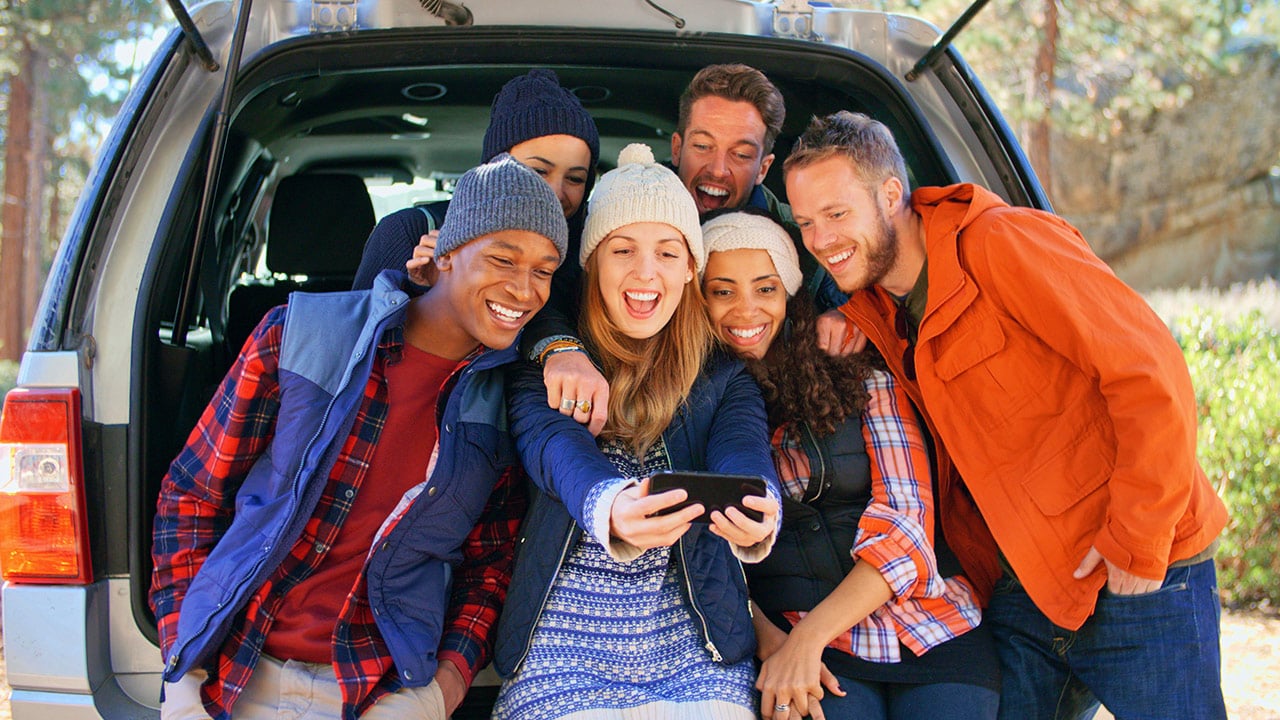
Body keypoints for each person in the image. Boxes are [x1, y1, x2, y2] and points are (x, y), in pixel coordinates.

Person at [783, 110, 1229, 720]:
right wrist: (849, 319)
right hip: (1025, 586)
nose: (821, 240)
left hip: (1137, 565)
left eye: (836, 214)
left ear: (892, 194)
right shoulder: (878, 312)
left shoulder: (1002, 242)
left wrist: (1139, 540)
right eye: (806, 222)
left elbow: (1149, 374)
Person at [149, 155, 569, 720]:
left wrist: (437, 694)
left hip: (380, 689)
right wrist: (182, 676)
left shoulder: (506, 404)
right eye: (502, 259)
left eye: (543, 271)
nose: (523, 289)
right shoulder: (297, 334)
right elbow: (191, 497)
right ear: (445, 253)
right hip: (235, 675)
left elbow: (489, 568)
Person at [489, 144, 782, 720]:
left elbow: (743, 452)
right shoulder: (548, 362)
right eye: (622, 250)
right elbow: (552, 444)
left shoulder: (723, 379)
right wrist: (610, 504)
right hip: (560, 647)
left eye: (669, 253)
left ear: (691, 269)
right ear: (591, 266)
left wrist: (758, 506)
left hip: (698, 650)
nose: (646, 273)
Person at [700, 209, 1000, 720]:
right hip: (797, 640)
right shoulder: (691, 399)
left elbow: (906, 523)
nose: (745, 310)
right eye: (723, 291)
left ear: (791, 295)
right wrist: (773, 642)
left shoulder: (854, 369)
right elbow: (698, 559)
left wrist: (807, 639)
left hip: (929, 624)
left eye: (766, 289)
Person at [351, 67, 599, 294]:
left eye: (575, 178)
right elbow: (362, 335)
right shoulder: (410, 232)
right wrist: (427, 294)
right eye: (538, 172)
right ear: (493, 169)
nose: (555, 192)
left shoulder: (594, 254)